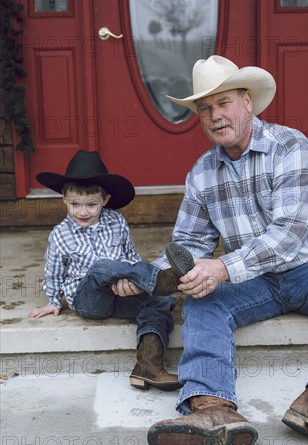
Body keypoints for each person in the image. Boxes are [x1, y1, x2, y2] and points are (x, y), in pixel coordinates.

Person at [116, 55, 308, 445]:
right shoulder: (201, 173)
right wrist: (149, 276)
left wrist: (222, 266)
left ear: (248, 101)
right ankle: (212, 409)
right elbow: (190, 243)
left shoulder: (291, 148)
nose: (214, 115)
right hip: (255, 282)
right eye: (204, 108)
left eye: (224, 102)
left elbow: (288, 236)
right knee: (204, 299)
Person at [28, 150, 194, 392]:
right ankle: (160, 279)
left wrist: (133, 280)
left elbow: (131, 256)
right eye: (74, 204)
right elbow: (54, 270)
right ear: (64, 198)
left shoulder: (116, 222)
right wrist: (53, 301)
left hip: (120, 294)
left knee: (159, 302)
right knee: (101, 266)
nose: (82, 212)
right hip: (89, 299)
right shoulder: (60, 234)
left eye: (91, 204)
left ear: (105, 200)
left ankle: (148, 367)